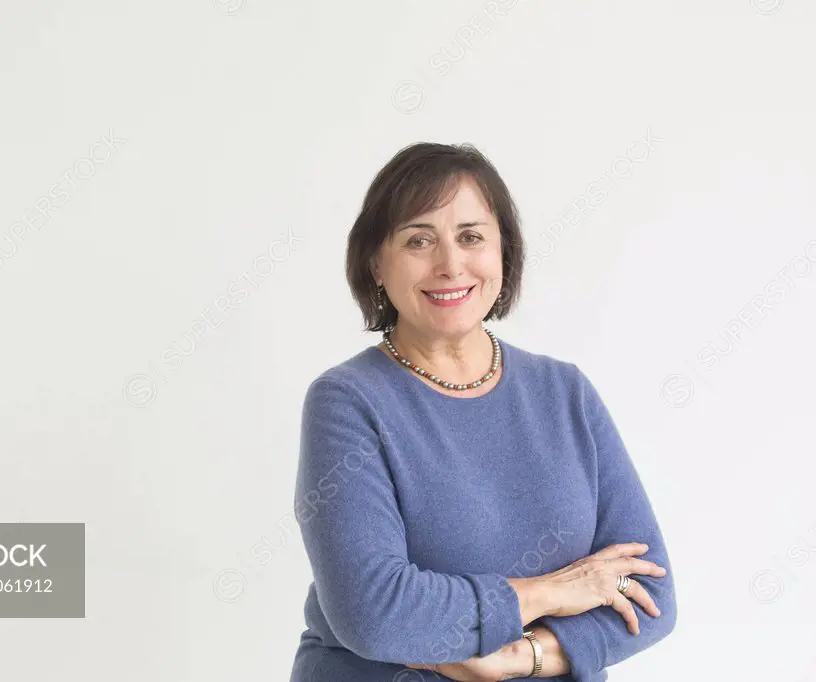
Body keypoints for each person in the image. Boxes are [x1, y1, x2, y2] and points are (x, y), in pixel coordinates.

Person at [288, 142, 677, 682]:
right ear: (376, 263)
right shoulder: (347, 401)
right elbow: (373, 612)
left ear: (502, 254)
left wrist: (521, 656)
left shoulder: (566, 392)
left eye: (471, 237)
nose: (450, 264)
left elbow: (649, 591)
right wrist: (552, 592)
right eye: (419, 240)